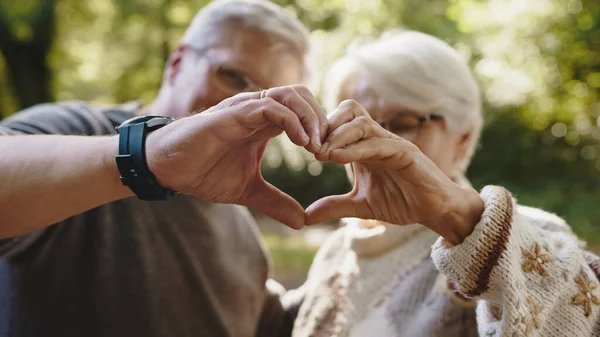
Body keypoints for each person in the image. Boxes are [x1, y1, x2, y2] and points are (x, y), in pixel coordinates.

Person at [0, 1, 328, 336]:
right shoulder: (74, 128)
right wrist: (146, 157)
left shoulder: (241, 228)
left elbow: (274, 324)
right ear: (177, 63)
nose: (247, 108)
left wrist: (369, 244)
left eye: (272, 106)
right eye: (234, 77)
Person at [292, 31, 600, 336]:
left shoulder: (525, 242)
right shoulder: (339, 248)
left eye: (403, 124)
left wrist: (469, 229)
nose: (376, 140)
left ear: (463, 139)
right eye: (353, 125)